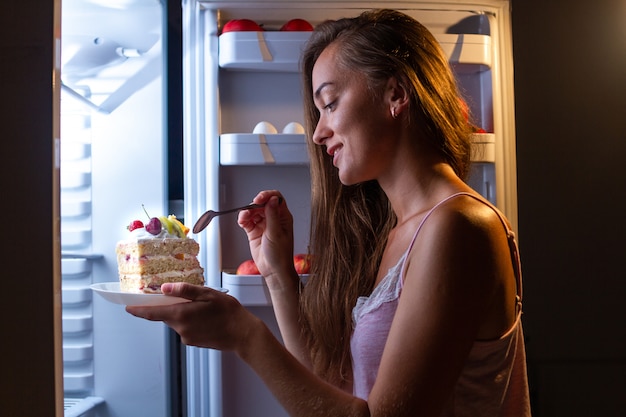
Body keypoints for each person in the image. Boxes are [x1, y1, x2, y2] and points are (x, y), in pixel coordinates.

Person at [127, 9, 531, 416]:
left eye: (330, 103)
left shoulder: (458, 227)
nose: (318, 133)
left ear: (396, 95)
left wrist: (245, 336)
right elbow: (342, 395)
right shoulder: (402, 232)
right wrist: (278, 275)